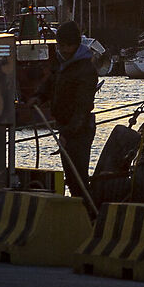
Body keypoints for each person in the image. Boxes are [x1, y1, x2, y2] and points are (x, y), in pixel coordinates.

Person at [49, 19, 103, 193]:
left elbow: (82, 107)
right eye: (60, 46)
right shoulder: (62, 64)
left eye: (66, 46)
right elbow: (51, 82)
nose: (62, 50)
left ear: (75, 45)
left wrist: (68, 133)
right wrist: (37, 96)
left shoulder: (86, 69)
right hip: (66, 127)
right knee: (71, 177)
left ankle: (87, 212)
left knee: (78, 177)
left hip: (79, 131)